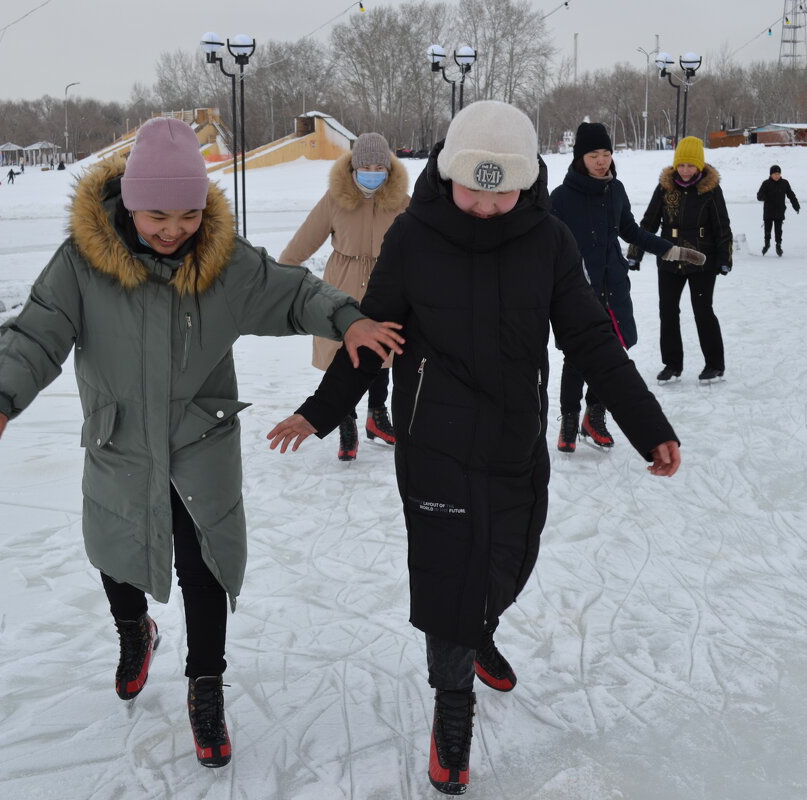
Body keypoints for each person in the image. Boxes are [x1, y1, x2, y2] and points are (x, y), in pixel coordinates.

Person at [0, 118, 402, 770]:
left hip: (200, 436)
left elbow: (293, 291)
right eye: (156, 214)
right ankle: (134, 629)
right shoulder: (82, 265)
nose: (173, 229)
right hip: (121, 437)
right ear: (129, 204)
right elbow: (37, 332)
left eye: (189, 214)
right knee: (116, 551)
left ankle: (206, 685)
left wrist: (347, 317)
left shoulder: (223, 262)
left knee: (203, 566)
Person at [265, 101, 681, 796]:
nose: (488, 207)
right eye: (474, 190)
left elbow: (590, 339)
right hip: (433, 440)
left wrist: (649, 423)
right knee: (449, 575)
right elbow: (375, 336)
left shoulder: (548, 241)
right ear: (449, 173)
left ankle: (481, 625)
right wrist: (320, 410)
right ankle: (451, 708)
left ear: (526, 183)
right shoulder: (413, 236)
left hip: (516, 438)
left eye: (503, 192)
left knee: (510, 561)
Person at [550, 122, 704, 452]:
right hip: (578, 291)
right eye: (594, 154)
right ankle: (568, 418)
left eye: (606, 153)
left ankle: (595, 414)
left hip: (614, 286)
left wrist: (671, 249)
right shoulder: (561, 198)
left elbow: (631, 231)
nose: (602, 160)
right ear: (580, 157)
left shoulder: (615, 190)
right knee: (577, 356)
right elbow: (547, 246)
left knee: (615, 351)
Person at [280, 132, 411, 461]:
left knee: (383, 350)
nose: (372, 171)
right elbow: (302, 244)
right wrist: (281, 278)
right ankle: (346, 420)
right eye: (364, 165)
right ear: (352, 168)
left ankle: (377, 414)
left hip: (388, 286)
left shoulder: (403, 202)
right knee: (344, 352)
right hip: (343, 287)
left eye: (379, 166)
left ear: (388, 169)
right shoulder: (335, 199)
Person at [629, 136, 733, 384]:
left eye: (690, 165)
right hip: (669, 259)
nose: (686, 170)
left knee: (703, 311)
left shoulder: (710, 190)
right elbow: (648, 223)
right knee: (668, 311)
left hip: (701, 262)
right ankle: (672, 365)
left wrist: (724, 258)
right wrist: (635, 253)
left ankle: (714, 364)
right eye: (682, 165)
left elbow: (722, 227)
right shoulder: (665, 189)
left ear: (699, 166)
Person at [757, 164, 801, 256]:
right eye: (775, 174)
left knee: (778, 230)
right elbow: (759, 195)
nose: (777, 176)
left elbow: (791, 195)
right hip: (768, 211)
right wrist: (764, 197)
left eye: (778, 174)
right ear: (771, 175)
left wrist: (796, 205)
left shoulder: (784, 183)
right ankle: (767, 244)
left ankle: (778, 245)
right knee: (767, 229)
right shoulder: (766, 183)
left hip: (779, 211)